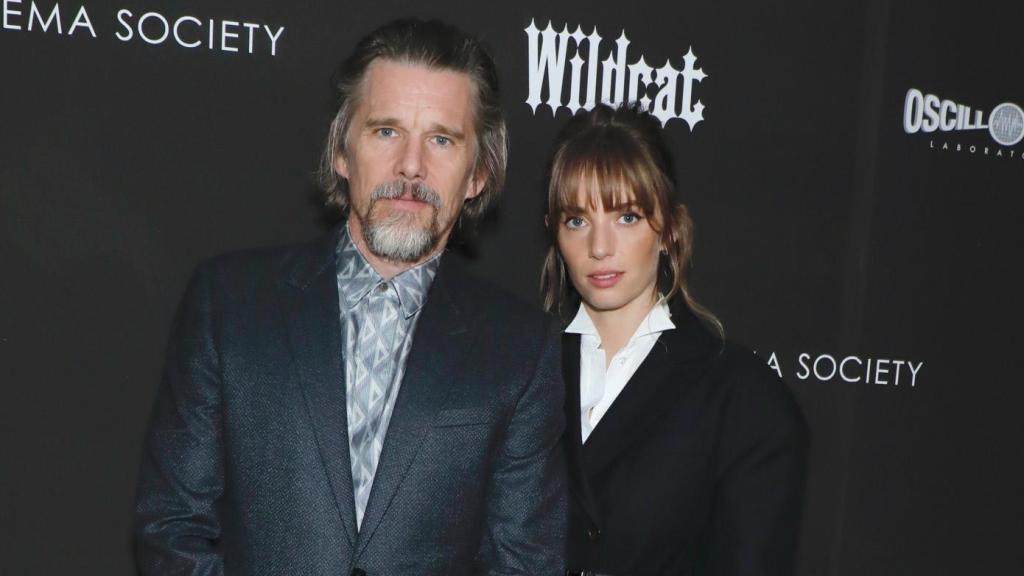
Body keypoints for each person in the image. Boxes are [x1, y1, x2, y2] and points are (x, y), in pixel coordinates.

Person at [135, 19, 566, 576]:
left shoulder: (522, 351)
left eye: (441, 139)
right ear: (342, 151)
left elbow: (524, 562)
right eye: (386, 131)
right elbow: (172, 525)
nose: (412, 166)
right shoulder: (229, 306)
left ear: (478, 174)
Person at [541, 104, 808, 575]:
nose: (599, 247)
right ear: (554, 234)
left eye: (627, 217)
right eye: (577, 220)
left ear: (669, 228)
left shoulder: (744, 401)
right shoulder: (521, 370)